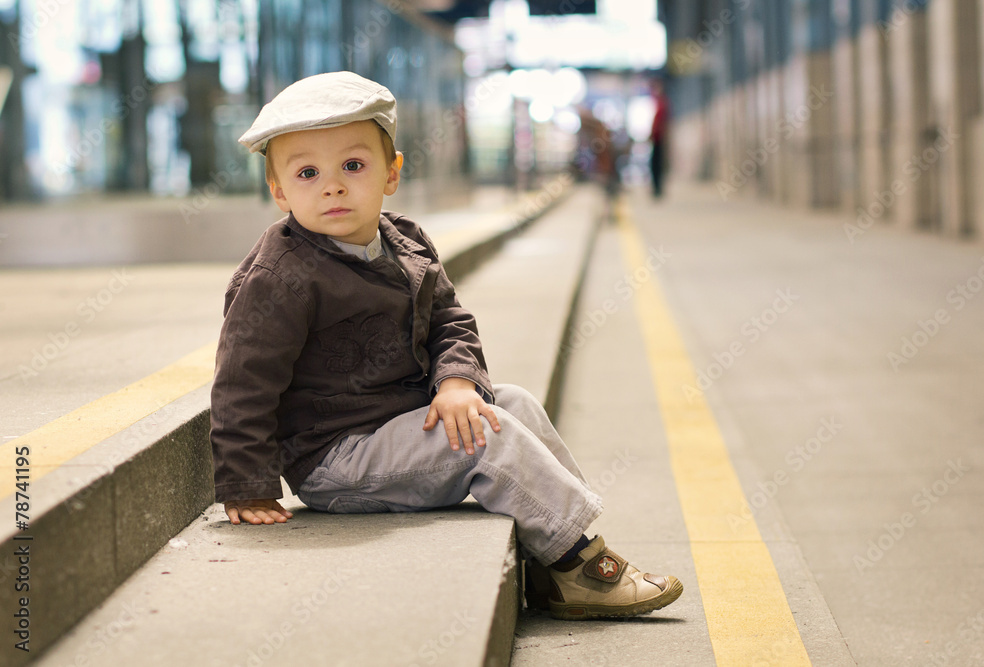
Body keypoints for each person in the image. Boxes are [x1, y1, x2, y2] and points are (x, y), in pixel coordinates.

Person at [210, 71, 683, 620]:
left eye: (353, 166)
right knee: (485, 437)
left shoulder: (406, 241)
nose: (332, 187)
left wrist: (456, 381)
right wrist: (247, 484)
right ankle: (581, 567)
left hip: (399, 423)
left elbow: (450, 320)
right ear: (279, 191)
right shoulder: (280, 277)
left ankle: (553, 559)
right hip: (338, 456)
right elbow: (242, 382)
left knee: (514, 403)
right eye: (307, 173)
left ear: (391, 172)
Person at [649, 78, 671, 198]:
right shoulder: (658, 103)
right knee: (655, 164)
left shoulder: (662, 104)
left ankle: (657, 188)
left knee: (657, 164)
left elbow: (661, 123)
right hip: (656, 139)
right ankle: (656, 188)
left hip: (659, 139)